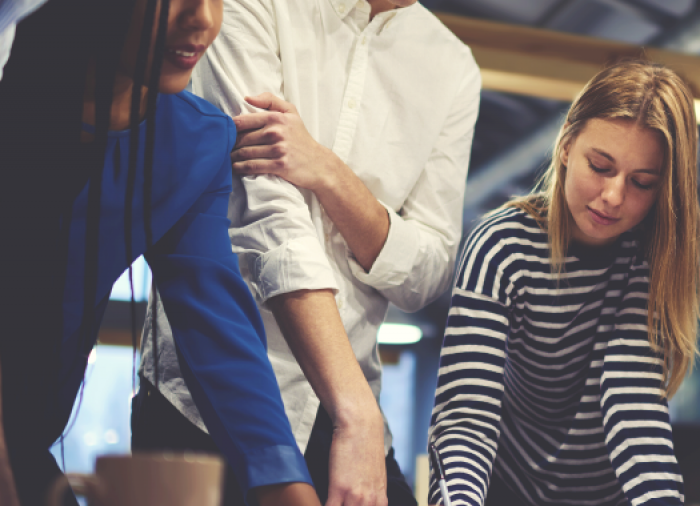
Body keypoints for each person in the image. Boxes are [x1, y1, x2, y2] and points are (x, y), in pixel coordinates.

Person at [132, 0, 480, 505]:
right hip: (205, 398)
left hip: (344, 410)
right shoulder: (251, 5)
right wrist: (355, 410)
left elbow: (426, 276)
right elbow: (262, 212)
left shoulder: (453, 64)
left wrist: (329, 173)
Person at [0, 1, 320, 505]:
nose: (203, 20)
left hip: (22, 440)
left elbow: (218, 332)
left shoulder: (193, 141)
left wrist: (289, 489)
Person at [427, 60, 700, 506]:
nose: (613, 197)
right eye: (600, 166)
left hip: (609, 493)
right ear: (567, 146)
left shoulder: (648, 259)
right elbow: (467, 417)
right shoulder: (502, 245)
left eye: (642, 182)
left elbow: (633, 408)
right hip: (506, 487)